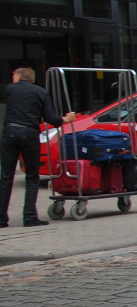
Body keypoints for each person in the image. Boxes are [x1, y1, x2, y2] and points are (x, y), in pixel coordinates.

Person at [1, 67, 75, 227]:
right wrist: (65, 119)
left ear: (20, 75)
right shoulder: (41, 92)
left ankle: (1, 218)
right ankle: (29, 217)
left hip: (10, 133)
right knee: (32, 177)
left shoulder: (9, 89)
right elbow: (50, 118)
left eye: (13, 74)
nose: (12, 77)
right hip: (29, 134)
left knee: (6, 178)